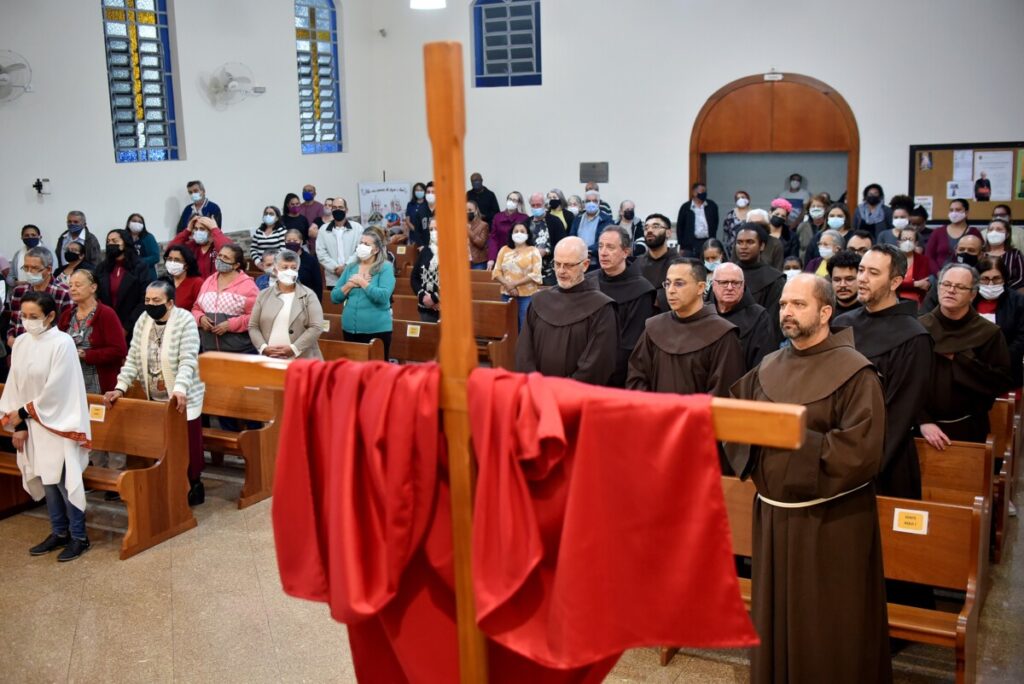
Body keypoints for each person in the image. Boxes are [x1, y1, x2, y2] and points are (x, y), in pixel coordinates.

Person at [726, 274, 891, 684]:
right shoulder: (769, 365)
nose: (787, 312)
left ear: (826, 312)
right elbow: (738, 419)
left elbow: (862, 450)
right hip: (773, 517)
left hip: (829, 521)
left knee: (825, 624)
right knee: (774, 616)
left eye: (799, 305)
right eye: (784, 304)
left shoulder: (856, 372)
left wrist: (788, 443)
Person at [1, 291, 92, 561]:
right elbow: (15, 384)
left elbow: (58, 389)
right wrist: (19, 425)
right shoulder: (21, 343)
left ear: (50, 316)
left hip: (59, 422)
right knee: (46, 480)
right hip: (32, 424)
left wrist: (23, 413)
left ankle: (79, 536)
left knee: (64, 481)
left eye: (34, 316)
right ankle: (59, 532)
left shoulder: (62, 343)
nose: (28, 321)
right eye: (24, 316)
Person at [835, 245, 932, 498]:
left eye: (873, 273)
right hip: (836, 449)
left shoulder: (914, 337)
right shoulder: (842, 323)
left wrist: (861, 466)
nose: (862, 278)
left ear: (895, 282)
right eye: (861, 270)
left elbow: (900, 413)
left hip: (884, 462)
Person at [106, 280, 207, 506]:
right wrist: (120, 387)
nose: (151, 305)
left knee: (187, 445)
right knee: (162, 444)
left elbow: (188, 359)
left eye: (156, 300)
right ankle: (167, 484)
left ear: (170, 302)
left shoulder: (184, 320)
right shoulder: (144, 319)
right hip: (154, 395)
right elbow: (133, 357)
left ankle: (193, 485)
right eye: (147, 300)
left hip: (183, 395)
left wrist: (179, 389)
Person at [919, 263, 1012, 445]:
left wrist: (960, 360)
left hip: (969, 426)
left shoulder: (988, 333)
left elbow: (1000, 380)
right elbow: (905, 381)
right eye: (946, 284)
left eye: (960, 287)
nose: (951, 290)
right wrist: (923, 420)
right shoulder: (919, 328)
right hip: (922, 427)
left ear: (973, 294)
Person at [627, 256, 743, 399]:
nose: (670, 290)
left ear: (700, 288)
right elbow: (637, 377)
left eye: (679, 284)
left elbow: (722, 392)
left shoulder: (723, 333)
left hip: (697, 413)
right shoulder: (654, 327)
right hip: (655, 411)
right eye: (667, 283)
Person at [515, 236, 617, 385]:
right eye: (557, 264)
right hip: (536, 390)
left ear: (585, 265)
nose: (561, 271)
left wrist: (563, 390)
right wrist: (535, 385)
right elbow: (524, 352)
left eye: (569, 265)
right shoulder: (539, 300)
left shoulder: (602, 308)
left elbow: (597, 362)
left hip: (575, 394)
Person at [588, 226, 656, 387]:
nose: (603, 253)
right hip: (585, 369)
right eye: (600, 246)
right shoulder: (589, 282)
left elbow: (632, 343)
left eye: (610, 247)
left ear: (626, 252)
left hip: (619, 375)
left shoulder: (641, 289)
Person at [59, 269, 127, 395]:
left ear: (93, 287)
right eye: (70, 285)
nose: (73, 289)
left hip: (99, 383)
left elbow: (119, 350)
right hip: (71, 381)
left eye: (78, 285)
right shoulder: (67, 315)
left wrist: (86, 355)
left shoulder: (106, 314)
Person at [249, 249, 324, 360]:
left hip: (302, 358)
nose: (289, 271)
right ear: (275, 270)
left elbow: (316, 327)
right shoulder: (263, 295)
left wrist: (294, 349)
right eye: (285, 267)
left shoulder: (308, 295)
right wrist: (263, 348)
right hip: (269, 358)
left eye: (293, 268)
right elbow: (253, 326)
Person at [331, 230, 396, 356]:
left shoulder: (385, 267)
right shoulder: (351, 267)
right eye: (361, 243)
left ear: (376, 250)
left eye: (366, 244)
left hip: (376, 330)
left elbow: (383, 297)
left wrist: (362, 282)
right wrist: (350, 284)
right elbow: (334, 297)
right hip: (349, 329)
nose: (362, 246)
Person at [192, 243, 259, 354]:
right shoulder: (209, 281)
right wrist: (200, 318)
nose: (220, 259)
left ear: (236, 265)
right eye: (220, 256)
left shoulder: (248, 286)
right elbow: (196, 308)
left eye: (226, 258)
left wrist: (231, 325)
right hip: (209, 350)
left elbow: (256, 316)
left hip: (240, 351)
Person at [712, 262, 774, 371]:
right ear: (713, 285)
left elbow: (763, 364)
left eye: (735, 283)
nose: (729, 287)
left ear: (743, 285)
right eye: (724, 282)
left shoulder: (760, 318)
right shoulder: (704, 313)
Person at [6, 247, 73, 345]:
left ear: (49, 269)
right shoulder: (19, 291)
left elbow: (67, 327)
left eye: (34, 268)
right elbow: (14, 322)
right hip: (21, 345)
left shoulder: (64, 293)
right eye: (26, 268)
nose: (29, 272)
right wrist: (10, 337)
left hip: (50, 346)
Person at [974, 257, 1024, 387]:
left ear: (1004, 279)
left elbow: (1021, 337)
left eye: (996, 279)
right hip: (971, 369)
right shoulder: (969, 300)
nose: (991, 284)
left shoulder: (1018, 301)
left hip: (1007, 371)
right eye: (985, 279)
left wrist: (1002, 358)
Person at [732, 224, 785, 341]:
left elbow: (774, 322)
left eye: (750, 242)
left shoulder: (774, 279)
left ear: (762, 246)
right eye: (739, 242)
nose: (743, 247)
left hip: (760, 342)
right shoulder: (725, 274)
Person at [95, 229, 149, 336]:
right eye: (108, 241)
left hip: (132, 326)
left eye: (115, 241)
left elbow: (144, 299)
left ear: (125, 243)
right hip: (106, 323)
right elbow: (96, 295)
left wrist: (126, 327)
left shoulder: (139, 266)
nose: (111, 244)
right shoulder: (102, 267)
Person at [493, 222, 542, 331]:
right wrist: (509, 286)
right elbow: (496, 272)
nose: (519, 233)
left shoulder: (533, 251)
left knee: (524, 326)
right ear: (511, 234)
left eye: (522, 231)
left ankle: (523, 343)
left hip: (527, 295)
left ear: (528, 234)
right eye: (516, 231)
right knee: (508, 327)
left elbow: (536, 274)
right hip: (506, 294)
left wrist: (514, 284)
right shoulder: (504, 249)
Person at [924, 199, 982, 275]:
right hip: (938, 275)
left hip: (966, 274)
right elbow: (928, 256)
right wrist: (938, 273)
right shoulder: (938, 232)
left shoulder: (974, 232)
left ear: (966, 212)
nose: (954, 213)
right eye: (951, 210)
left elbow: (980, 255)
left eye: (958, 210)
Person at [315, 196, 363, 289]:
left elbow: (360, 250)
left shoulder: (357, 228)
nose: (338, 210)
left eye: (340, 207)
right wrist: (335, 268)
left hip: (354, 276)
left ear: (346, 210)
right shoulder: (323, 229)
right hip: (333, 279)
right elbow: (321, 253)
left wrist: (346, 267)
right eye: (335, 207)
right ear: (331, 210)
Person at [635, 213, 678, 312]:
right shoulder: (636, 264)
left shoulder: (679, 264)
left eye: (655, 226)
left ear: (668, 233)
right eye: (646, 228)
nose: (649, 230)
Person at [169, 215, 231, 279]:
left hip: (215, 284)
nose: (198, 232)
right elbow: (171, 250)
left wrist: (215, 229)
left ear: (210, 231)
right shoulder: (191, 246)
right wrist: (187, 230)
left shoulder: (218, 245)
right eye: (196, 229)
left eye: (202, 229)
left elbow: (229, 252)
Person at [526, 192, 565, 284]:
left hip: (551, 270)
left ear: (545, 205)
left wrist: (547, 251)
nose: (536, 208)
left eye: (538, 205)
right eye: (533, 205)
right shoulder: (526, 223)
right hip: (530, 269)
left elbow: (562, 244)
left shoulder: (555, 221)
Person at [569, 188, 614, 268]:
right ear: (584, 203)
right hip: (578, 262)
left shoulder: (606, 220)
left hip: (597, 263)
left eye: (594, 201)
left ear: (599, 203)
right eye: (588, 201)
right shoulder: (578, 218)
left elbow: (607, 240)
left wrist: (588, 251)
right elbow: (572, 237)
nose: (591, 203)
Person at [676, 181, 719, 258]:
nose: (704, 193)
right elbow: (680, 227)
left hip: (707, 242)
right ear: (694, 193)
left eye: (705, 191)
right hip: (689, 245)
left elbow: (715, 223)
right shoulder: (686, 207)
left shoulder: (712, 206)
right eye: (702, 191)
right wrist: (681, 246)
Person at [411, 220, 441, 323]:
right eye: (431, 229)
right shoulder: (425, 251)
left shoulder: (453, 252)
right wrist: (422, 296)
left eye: (436, 229)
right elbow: (414, 277)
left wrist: (435, 298)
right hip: (425, 309)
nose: (433, 232)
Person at [983, 218, 1024, 290]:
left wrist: (1003, 289)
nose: (994, 232)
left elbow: (1021, 278)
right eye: (990, 229)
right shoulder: (980, 253)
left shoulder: (1015, 254)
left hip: (1008, 293)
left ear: (1007, 234)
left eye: (999, 229)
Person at [895, 228, 931, 305]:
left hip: (916, 303)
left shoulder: (923, 260)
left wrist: (903, 284)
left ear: (916, 243)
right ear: (899, 242)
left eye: (911, 239)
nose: (907, 242)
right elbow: (890, 284)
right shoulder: (892, 259)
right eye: (904, 239)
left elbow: (924, 285)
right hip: (895, 301)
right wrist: (915, 284)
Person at [163, 245, 204, 312]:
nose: (172, 263)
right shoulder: (164, 282)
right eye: (169, 259)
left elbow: (201, 309)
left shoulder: (197, 283)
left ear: (186, 265)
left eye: (177, 260)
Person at [281, 229, 322, 294]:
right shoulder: (280, 259)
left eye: (295, 241)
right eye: (288, 241)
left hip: (306, 297)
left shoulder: (311, 260)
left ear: (301, 242)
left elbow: (317, 285)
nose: (292, 243)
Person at [826, 249, 863, 317]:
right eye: (837, 280)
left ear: (860, 279)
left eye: (849, 279)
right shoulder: (824, 312)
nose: (842, 285)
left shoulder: (870, 311)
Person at [124, 213, 160, 282]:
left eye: (140, 222)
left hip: (147, 275)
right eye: (134, 221)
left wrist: (137, 262)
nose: (137, 223)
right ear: (128, 223)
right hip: (129, 276)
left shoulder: (148, 237)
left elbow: (155, 257)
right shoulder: (123, 238)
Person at [793, 194, 830, 259]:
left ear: (825, 208)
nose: (816, 208)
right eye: (813, 206)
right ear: (809, 209)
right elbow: (796, 247)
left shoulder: (829, 227)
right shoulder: (802, 226)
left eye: (819, 206)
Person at [9, 225, 44, 289]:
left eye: (33, 235)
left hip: (42, 290)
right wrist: (15, 283)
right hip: (21, 290)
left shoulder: (47, 253)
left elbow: (52, 275)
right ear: (22, 238)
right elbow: (10, 277)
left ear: (40, 237)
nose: (30, 237)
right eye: (27, 235)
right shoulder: (18, 254)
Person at [721, 189, 752, 258]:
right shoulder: (730, 214)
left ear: (748, 199)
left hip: (749, 247)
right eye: (738, 198)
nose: (740, 199)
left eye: (743, 197)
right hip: (732, 248)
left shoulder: (753, 214)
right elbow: (726, 231)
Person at [765, 200, 793, 266]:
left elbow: (793, 257)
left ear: (786, 218)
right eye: (777, 214)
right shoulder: (761, 232)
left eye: (783, 216)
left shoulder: (791, 236)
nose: (779, 217)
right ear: (770, 213)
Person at [411, 181, 437, 248]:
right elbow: (417, 231)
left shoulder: (443, 211)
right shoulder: (420, 211)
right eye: (428, 192)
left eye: (433, 192)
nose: (430, 194)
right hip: (424, 248)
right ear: (425, 194)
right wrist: (421, 246)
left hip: (440, 248)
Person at [467, 199, 490, 270]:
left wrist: (468, 230)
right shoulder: (459, 224)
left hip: (478, 262)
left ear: (476, 211)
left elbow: (481, 243)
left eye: (470, 210)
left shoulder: (483, 225)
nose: (467, 212)